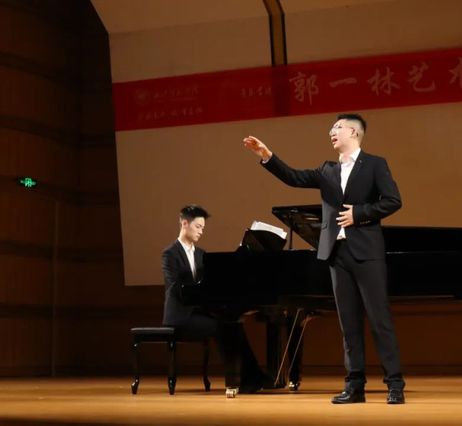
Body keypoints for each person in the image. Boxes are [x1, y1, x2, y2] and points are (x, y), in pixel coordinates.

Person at [243, 113, 406, 404]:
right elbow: (294, 177)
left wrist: (359, 214)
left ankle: (395, 384)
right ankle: (354, 387)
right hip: (336, 254)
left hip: (367, 253)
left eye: (338, 127)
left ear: (354, 132)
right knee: (348, 325)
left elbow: (393, 200)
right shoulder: (327, 170)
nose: (332, 131)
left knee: (380, 320)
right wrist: (267, 156)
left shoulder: (375, 164)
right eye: (332, 127)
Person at [161, 204, 266, 394]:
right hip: (180, 316)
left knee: (233, 323)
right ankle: (236, 380)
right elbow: (175, 287)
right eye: (198, 226)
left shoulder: (201, 254)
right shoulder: (170, 254)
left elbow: (209, 285)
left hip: (199, 312)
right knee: (223, 326)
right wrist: (202, 298)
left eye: (203, 227)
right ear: (184, 224)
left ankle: (253, 376)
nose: (201, 231)